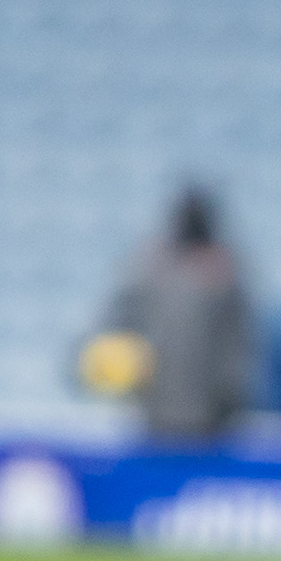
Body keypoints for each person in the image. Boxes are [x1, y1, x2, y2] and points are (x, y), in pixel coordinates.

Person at [99, 184, 256, 442]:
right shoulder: (149, 266)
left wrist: (232, 394)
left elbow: (238, 344)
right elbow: (119, 322)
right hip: (155, 411)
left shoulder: (224, 271)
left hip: (210, 419)